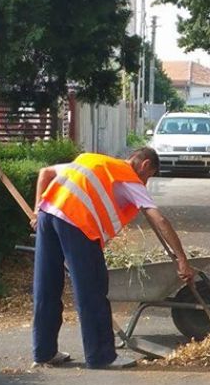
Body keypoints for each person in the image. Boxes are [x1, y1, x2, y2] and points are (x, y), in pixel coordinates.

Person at [31, 147, 196, 369]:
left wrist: (36, 212)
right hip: (77, 224)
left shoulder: (92, 161)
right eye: (149, 176)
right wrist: (182, 259)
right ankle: (101, 357)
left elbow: (45, 173)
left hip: (47, 216)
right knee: (92, 290)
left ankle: (44, 353)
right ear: (145, 165)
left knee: (46, 287)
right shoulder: (128, 177)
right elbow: (160, 221)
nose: (146, 182)